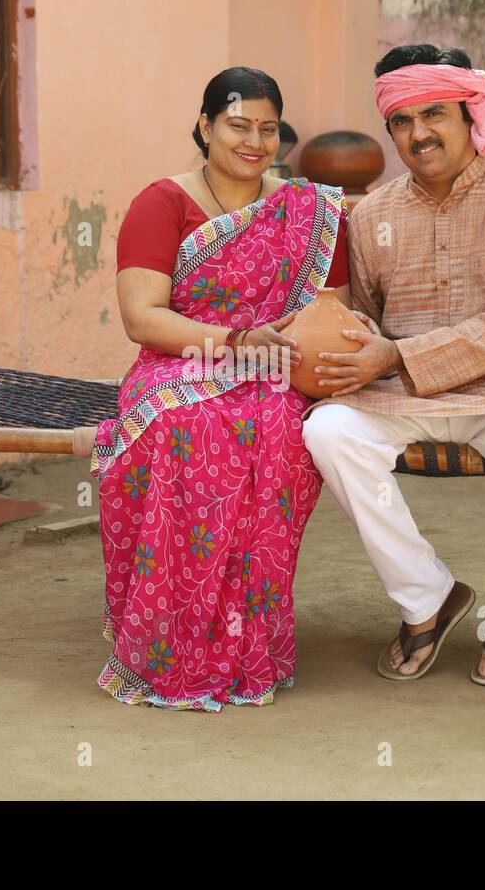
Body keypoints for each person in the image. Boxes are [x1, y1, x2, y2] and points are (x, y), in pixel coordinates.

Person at [302, 44, 485, 687]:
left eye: (433, 114)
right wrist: (359, 346)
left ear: (471, 114)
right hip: (401, 396)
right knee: (327, 430)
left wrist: (400, 354)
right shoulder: (373, 212)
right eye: (401, 122)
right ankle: (426, 599)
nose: (418, 134)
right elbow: (364, 318)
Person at [91, 66, 353, 710]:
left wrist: (278, 348)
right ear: (206, 126)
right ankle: (168, 640)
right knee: (188, 427)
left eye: (268, 130)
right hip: (182, 362)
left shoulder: (309, 212)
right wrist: (235, 341)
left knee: (284, 430)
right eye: (238, 125)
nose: (254, 141)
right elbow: (142, 318)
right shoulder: (163, 202)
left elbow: (332, 310)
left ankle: (247, 641)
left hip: (277, 368)